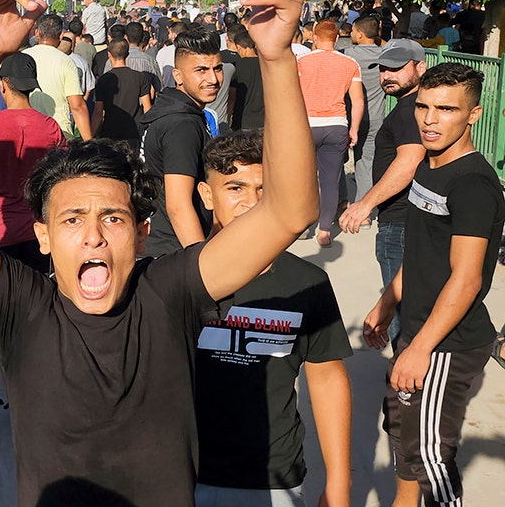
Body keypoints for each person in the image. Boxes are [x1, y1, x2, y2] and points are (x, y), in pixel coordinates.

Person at [0, 0, 321, 507]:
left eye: (115, 219)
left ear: (144, 232)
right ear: (42, 236)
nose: (94, 235)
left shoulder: (171, 291)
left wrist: (276, 58)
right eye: (71, 219)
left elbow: (290, 210)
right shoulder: (24, 306)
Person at [363, 62, 504, 507]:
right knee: (405, 438)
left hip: (448, 343)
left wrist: (421, 348)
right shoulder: (428, 165)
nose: (429, 119)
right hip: (418, 329)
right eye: (423, 106)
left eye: (445, 109)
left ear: (473, 115)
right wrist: (386, 303)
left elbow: (468, 278)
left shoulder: (474, 183)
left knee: (429, 455)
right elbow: (422, 253)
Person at [192, 130, 353, 507]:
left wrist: (339, 483)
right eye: (235, 188)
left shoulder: (308, 282)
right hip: (181, 472)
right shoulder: (175, 277)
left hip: (272, 477)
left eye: (264, 189)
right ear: (206, 195)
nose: (252, 202)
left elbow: (327, 379)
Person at [0, 50, 66, 438]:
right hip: (38, 235)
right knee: (34, 314)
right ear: (31, 88)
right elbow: (61, 182)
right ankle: (32, 397)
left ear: (2, 85)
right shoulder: (51, 127)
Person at [339, 39, 427, 344]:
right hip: (406, 220)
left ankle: (407, 381)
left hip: (400, 223)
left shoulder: (408, 112)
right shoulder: (414, 108)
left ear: (420, 67)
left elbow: (411, 160)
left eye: (397, 68)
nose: (388, 75)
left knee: (403, 311)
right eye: (383, 69)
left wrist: (365, 204)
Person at [139, 27, 225, 257]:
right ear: (178, 76)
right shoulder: (182, 124)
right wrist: (202, 266)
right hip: (174, 249)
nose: (213, 79)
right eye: (201, 70)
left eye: (217, 68)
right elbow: (178, 206)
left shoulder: (169, 110)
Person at [296, 20, 364, 246]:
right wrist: (353, 129)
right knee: (331, 179)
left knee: (303, 179)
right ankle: (324, 231)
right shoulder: (350, 63)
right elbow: (358, 101)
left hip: (306, 126)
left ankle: (303, 224)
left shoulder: (301, 62)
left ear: (314, 37)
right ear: (336, 39)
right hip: (336, 125)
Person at [25, 13, 93, 140]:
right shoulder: (65, 61)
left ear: (37, 33)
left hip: (27, 131)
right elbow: (77, 106)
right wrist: (89, 143)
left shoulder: (22, 58)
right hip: (59, 133)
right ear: (61, 35)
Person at [342, 16, 386, 208]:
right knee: (367, 162)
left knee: (337, 161)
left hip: (347, 117)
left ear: (359, 34)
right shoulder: (385, 55)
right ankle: (363, 211)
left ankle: (341, 203)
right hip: (375, 117)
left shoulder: (346, 55)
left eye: (352, 31)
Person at [92, 39, 153, 148]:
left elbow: (98, 111)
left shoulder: (103, 80)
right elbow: (147, 108)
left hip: (110, 132)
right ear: (127, 54)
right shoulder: (140, 77)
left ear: (109, 54)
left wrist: (91, 136)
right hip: (133, 132)